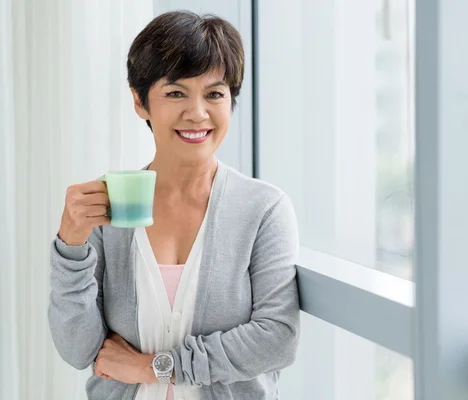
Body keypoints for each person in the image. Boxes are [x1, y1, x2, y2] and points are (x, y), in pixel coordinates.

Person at [48, 11, 300, 400]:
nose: (197, 113)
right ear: (140, 101)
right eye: (176, 93)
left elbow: (276, 339)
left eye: (214, 94)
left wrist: (154, 367)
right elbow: (78, 349)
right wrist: (70, 248)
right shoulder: (108, 206)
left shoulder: (263, 210)